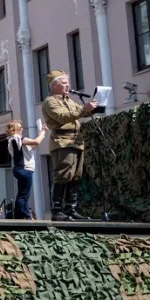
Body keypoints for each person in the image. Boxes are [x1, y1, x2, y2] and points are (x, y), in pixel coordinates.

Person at [41, 70, 98, 221]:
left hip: (76, 140)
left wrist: (92, 107)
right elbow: (62, 117)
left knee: (76, 177)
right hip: (62, 140)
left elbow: (80, 113)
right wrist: (84, 109)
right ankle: (57, 210)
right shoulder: (50, 101)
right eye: (64, 83)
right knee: (63, 175)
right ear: (54, 86)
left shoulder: (69, 100)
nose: (68, 85)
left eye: (67, 83)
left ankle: (71, 209)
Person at [5, 119, 48, 219]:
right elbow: (36, 142)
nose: (22, 129)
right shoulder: (16, 138)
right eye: (20, 128)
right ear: (14, 129)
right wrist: (43, 131)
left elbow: (34, 144)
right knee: (24, 195)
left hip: (20, 169)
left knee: (22, 194)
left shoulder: (13, 140)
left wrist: (41, 133)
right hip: (24, 169)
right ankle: (23, 215)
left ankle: (23, 215)